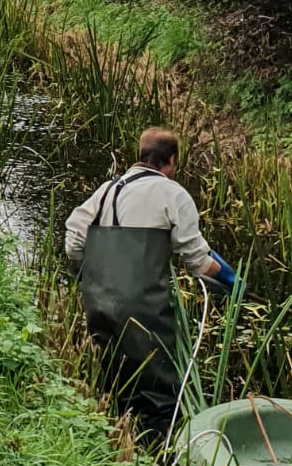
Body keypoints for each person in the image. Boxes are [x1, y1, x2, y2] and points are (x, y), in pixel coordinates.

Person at [64, 127, 224, 430]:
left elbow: (73, 241)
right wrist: (230, 281)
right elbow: (197, 261)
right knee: (158, 395)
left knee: (112, 379)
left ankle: (113, 437)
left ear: (141, 156)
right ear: (172, 160)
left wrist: (88, 274)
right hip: (145, 314)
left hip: (99, 304)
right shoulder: (174, 194)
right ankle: (158, 453)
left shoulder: (107, 190)